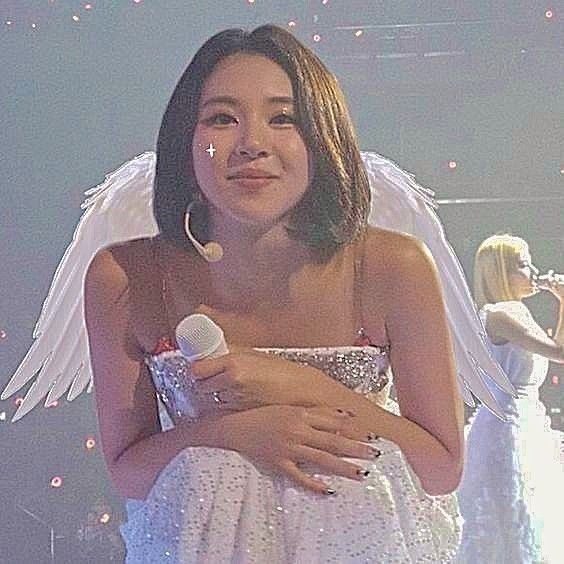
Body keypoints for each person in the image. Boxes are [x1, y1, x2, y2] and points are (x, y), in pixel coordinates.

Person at [1, 25, 514, 563]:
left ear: (323, 134)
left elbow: (439, 468)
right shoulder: (127, 276)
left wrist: (298, 385)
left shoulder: (393, 265)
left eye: (283, 118)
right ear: (184, 139)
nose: (252, 144)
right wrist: (240, 432)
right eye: (222, 118)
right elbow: (130, 471)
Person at [457, 234, 564, 564]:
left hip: (526, 423)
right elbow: (560, 353)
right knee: (509, 520)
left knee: (531, 516)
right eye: (523, 265)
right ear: (500, 271)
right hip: (505, 430)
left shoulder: (518, 312)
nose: (533, 271)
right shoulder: (499, 315)